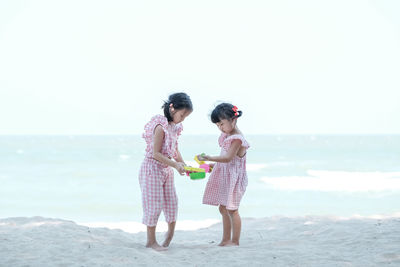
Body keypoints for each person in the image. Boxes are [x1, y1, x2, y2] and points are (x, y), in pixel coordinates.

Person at [139, 92, 192, 251]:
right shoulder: (160, 127)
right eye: (182, 115)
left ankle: (169, 236)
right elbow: (156, 153)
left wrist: (182, 164)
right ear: (172, 108)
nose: (182, 119)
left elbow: (174, 149)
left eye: (185, 117)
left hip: (166, 169)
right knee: (153, 205)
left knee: (172, 202)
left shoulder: (174, 128)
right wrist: (175, 166)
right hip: (152, 169)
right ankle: (151, 241)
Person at [198, 103, 249, 246]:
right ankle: (225, 239)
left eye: (222, 124)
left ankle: (235, 241)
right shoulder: (228, 136)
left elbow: (228, 158)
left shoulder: (237, 139)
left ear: (233, 120)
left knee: (232, 209)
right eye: (217, 125)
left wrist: (209, 157)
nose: (220, 128)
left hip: (234, 179)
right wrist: (212, 166)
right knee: (223, 208)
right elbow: (225, 161)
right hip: (226, 176)